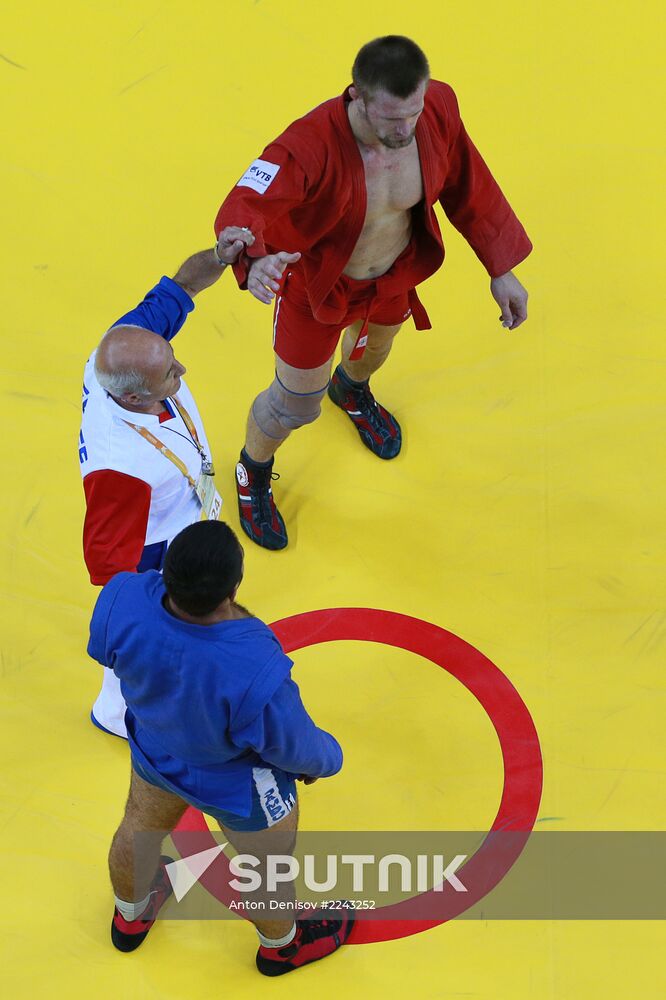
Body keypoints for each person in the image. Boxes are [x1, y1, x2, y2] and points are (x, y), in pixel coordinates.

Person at [214, 35, 533, 551]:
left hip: (393, 275)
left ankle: (352, 389)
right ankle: (253, 469)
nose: (408, 130)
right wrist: (251, 260)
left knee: (373, 354)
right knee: (293, 405)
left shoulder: (435, 110)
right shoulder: (306, 145)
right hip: (317, 287)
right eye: (392, 121)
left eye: (414, 113)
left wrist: (500, 267)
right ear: (357, 96)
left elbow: (468, 182)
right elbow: (246, 203)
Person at [88, 519, 352, 977]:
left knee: (138, 826)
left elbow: (102, 649)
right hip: (239, 784)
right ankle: (282, 947)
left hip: (156, 751)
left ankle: (130, 915)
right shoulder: (253, 666)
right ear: (233, 588)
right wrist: (330, 758)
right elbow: (294, 747)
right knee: (265, 868)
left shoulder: (121, 599)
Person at [79, 230, 253, 737]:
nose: (182, 368)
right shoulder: (121, 469)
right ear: (134, 400)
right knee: (145, 629)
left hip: (182, 509)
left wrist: (220, 257)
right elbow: (110, 564)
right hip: (155, 545)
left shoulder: (125, 347)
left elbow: (181, 287)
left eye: (171, 357)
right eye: (170, 376)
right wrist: (137, 619)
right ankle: (115, 711)